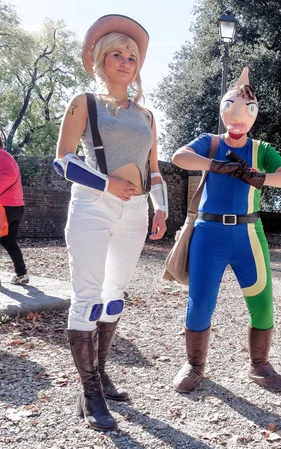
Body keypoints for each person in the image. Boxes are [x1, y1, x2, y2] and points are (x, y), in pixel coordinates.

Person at [53, 15, 167, 431]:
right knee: (86, 296)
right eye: (117, 54)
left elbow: (154, 169)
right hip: (91, 207)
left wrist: (160, 206)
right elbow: (62, 161)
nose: (125, 61)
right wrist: (106, 182)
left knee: (114, 293)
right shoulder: (84, 102)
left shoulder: (148, 115)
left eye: (132, 55)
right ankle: (89, 391)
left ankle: (99, 373)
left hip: (135, 213)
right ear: (101, 60)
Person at [171, 67, 281, 394]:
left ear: (254, 114)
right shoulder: (210, 143)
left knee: (262, 302)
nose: (238, 115)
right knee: (199, 303)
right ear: (223, 109)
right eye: (232, 106)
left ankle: (259, 364)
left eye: (247, 107)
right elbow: (179, 157)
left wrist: (260, 177)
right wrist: (213, 164)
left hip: (248, 235)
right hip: (208, 234)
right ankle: (195, 365)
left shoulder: (261, 150)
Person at [0, 136, 29, 286]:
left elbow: (9, 175)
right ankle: (21, 274)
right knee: (9, 241)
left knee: (8, 241)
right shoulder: (6, 156)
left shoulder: (1, 155)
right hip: (15, 206)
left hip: (4, 208)